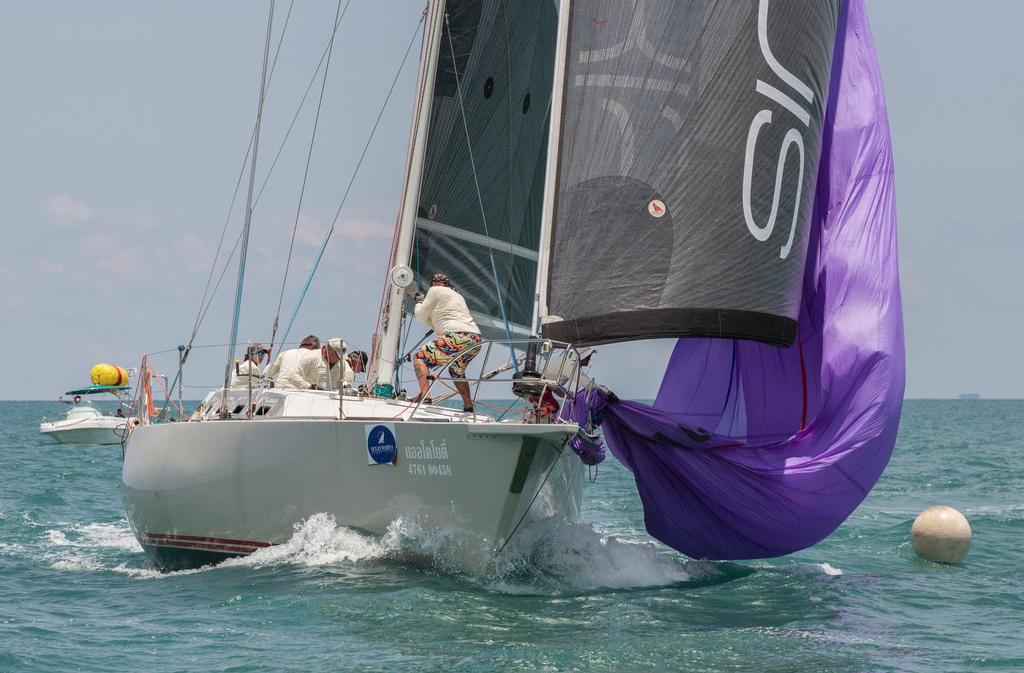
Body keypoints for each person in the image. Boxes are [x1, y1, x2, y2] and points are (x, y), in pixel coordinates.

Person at [411, 273, 480, 411]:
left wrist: (419, 301)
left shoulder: (435, 290)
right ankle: (468, 406)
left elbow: (419, 316)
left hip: (456, 336)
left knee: (419, 357)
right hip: (475, 338)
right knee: (456, 370)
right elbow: (435, 322)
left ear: (435, 283)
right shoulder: (457, 295)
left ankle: (425, 397)